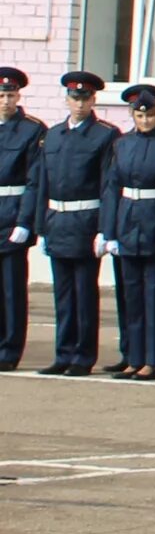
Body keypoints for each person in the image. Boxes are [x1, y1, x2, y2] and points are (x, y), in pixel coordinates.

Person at [102, 82, 155, 379]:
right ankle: (133, 357)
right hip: (127, 223)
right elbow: (111, 188)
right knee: (130, 296)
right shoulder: (122, 144)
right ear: (133, 116)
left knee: (153, 297)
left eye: (150, 115)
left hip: (154, 222)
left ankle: (152, 360)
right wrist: (108, 231)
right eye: (140, 116)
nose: (145, 120)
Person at [38, 71, 118, 376]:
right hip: (58, 219)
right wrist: (41, 225)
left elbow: (107, 186)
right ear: (67, 99)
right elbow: (43, 181)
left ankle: (83, 356)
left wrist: (104, 229)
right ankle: (63, 353)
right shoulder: (54, 135)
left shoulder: (105, 135)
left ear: (93, 100)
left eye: (85, 98)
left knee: (84, 294)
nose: (80, 104)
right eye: (75, 97)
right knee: (63, 294)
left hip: (86, 221)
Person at [0, 68, 36, 371]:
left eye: (10, 95)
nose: (5, 100)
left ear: (18, 96)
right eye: (1, 95)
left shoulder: (31, 130)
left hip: (11, 214)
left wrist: (25, 222)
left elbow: (34, 180)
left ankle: (9, 350)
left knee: (12, 289)